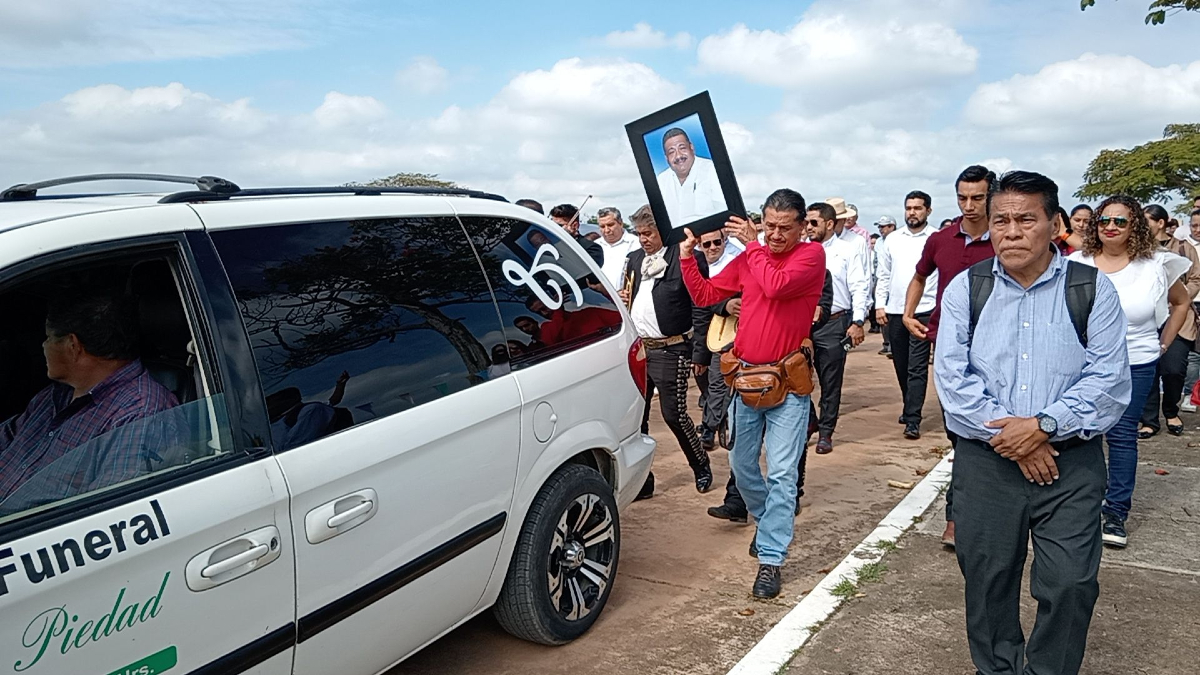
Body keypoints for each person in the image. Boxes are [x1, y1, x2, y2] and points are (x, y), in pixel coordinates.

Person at [935, 170, 1131, 675]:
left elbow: (1108, 381)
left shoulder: (1092, 289)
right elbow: (953, 380)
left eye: (1026, 219)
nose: (1011, 232)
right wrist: (1018, 438)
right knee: (987, 582)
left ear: (1055, 223)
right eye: (1000, 221)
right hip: (987, 463)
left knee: (1070, 583)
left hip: (1070, 464)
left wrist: (1043, 426)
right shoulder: (966, 289)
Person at [680, 188, 825, 599]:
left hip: (787, 385)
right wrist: (688, 258)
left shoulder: (811, 256)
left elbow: (776, 286)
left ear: (802, 227)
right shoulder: (752, 257)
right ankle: (767, 521)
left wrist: (753, 244)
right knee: (742, 467)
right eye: (769, 226)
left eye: (785, 227)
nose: (775, 234)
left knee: (782, 473)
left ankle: (771, 557)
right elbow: (706, 295)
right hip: (745, 381)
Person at [1068, 196, 1192, 548]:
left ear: (1134, 225)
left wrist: (1163, 344)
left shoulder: (1155, 265)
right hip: (1083, 365)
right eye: (1104, 220)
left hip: (1135, 363)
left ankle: (1116, 512)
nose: (1111, 227)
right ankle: (1079, 503)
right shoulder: (1075, 263)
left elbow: (1181, 303)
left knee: (1122, 437)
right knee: (1080, 433)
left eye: (1120, 221)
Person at [0, 293, 179, 507]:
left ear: (73, 345)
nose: (44, 346)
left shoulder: (140, 415)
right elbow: (9, 436)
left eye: (48, 338)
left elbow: (113, 511)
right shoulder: (55, 395)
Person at [901, 165, 996, 548]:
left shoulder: (1006, 238)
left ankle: (965, 514)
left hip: (998, 347)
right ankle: (959, 514)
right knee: (960, 430)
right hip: (948, 345)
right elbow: (920, 275)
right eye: (962, 198)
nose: (969, 205)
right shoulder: (940, 239)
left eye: (977, 198)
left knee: (989, 429)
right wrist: (908, 313)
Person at [620, 205, 713, 495]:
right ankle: (642, 481)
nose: (643, 239)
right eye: (639, 233)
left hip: (672, 348)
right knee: (637, 418)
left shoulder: (686, 256)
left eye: (648, 233)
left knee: (674, 414)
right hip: (639, 349)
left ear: (663, 231)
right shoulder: (635, 259)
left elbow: (701, 306)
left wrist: (700, 352)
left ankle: (700, 465)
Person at [805, 202, 868, 454]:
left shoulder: (847, 251)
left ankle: (826, 432)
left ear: (829, 224)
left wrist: (858, 321)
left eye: (814, 223)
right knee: (796, 375)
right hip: (803, 325)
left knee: (830, 382)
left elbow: (859, 286)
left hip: (834, 323)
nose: (808, 227)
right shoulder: (800, 251)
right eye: (806, 222)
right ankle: (811, 421)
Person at [876, 190, 937, 440]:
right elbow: (883, 274)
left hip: (924, 310)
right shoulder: (892, 240)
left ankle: (913, 419)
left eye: (918, 208)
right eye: (909, 208)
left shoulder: (935, 238)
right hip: (895, 310)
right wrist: (880, 304)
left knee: (917, 367)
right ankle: (908, 404)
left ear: (928, 211)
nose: (912, 212)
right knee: (901, 364)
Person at [1139, 204, 1200, 437]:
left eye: (1146, 220)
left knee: (1174, 369)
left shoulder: (1183, 247)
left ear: (1160, 222)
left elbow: (1196, 278)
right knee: (1148, 369)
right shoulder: (1138, 248)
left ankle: (1171, 411)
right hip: (1147, 316)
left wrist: (1179, 296)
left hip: (1178, 316)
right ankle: (1149, 420)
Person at [692, 229, 743, 450]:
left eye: (717, 242)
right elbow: (701, 305)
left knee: (721, 383)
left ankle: (711, 427)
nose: (713, 247)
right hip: (712, 333)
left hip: (736, 332)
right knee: (713, 383)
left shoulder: (736, 260)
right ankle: (713, 423)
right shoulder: (697, 265)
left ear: (724, 241)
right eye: (707, 244)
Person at [655, 128, 725, 227]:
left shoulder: (712, 169)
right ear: (666, 158)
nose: (678, 156)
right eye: (671, 152)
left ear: (691, 147)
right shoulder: (661, 180)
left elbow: (725, 213)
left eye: (682, 148)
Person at [595, 207, 641, 286]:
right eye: (602, 226)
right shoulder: (595, 246)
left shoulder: (636, 244)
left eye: (610, 225)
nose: (607, 230)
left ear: (621, 223)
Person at [874, 216, 897, 356]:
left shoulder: (899, 240)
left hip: (894, 282)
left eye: (883, 226)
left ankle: (894, 346)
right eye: (879, 227)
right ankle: (887, 343)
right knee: (882, 314)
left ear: (892, 226)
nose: (880, 229)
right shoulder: (878, 242)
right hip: (881, 279)